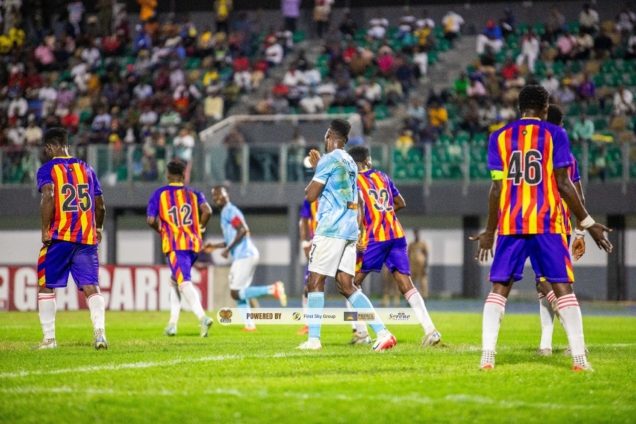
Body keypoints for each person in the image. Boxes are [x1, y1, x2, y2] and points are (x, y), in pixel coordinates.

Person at [470, 85, 613, 371]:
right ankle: (579, 359)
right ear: (546, 108)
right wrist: (588, 223)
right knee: (563, 288)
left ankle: (487, 357)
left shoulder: (498, 137)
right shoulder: (555, 134)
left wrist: (490, 231)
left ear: (519, 108)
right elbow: (564, 184)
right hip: (547, 223)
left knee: (499, 288)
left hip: (511, 224)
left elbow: (496, 189)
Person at [299, 119, 396, 351]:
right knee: (346, 285)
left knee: (315, 281)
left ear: (329, 136)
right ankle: (383, 332)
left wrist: (317, 169)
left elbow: (310, 195)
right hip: (350, 231)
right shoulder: (350, 162)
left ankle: (313, 340)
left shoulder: (328, 160)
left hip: (331, 229)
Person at [349, 145, 441, 346]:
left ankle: (364, 333)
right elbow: (401, 202)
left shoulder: (353, 181)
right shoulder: (382, 176)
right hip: (396, 235)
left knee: (350, 284)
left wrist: (361, 231)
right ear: (367, 161)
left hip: (374, 238)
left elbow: (356, 210)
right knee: (406, 284)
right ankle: (431, 331)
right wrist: (384, 216)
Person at [32, 128, 107, 350]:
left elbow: (48, 195)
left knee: (46, 285)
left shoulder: (47, 169)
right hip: (86, 239)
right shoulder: (87, 169)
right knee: (91, 286)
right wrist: (98, 228)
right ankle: (100, 333)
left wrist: (45, 230)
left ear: (49, 147)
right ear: (67, 145)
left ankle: (49, 339)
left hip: (60, 237)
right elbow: (101, 206)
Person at [535, 104, 586, 356]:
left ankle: (576, 342)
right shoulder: (569, 158)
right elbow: (579, 197)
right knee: (549, 282)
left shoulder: (539, 153)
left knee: (547, 284)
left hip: (542, 225)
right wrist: (580, 232)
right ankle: (545, 344)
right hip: (562, 226)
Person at [204, 186, 287, 332]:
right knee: (239, 293)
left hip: (244, 255)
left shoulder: (230, 210)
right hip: (245, 255)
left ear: (227, 195)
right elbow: (232, 238)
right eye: (214, 195)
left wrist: (227, 249)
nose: (216, 197)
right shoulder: (225, 213)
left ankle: (273, 289)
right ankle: (249, 326)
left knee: (235, 292)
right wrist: (215, 246)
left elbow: (242, 230)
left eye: (219, 193)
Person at [147, 159, 214, 337]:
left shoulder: (160, 194)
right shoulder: (194, 193)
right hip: (194, 245)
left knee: (183, 283)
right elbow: (207, 211)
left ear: (168, 175)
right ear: (184, 175)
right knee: (174, 281)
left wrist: (161, 231)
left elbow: (151, 220)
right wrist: (201, 227)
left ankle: (202, 318)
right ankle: (172, 324)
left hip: (176, 245)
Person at [297, 198, 319, 335]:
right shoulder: (310, 199)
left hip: (339, 244)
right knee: (309, 287)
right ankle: (309, 324)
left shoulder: (340, 193)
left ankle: (358, 328)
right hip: (318, 247)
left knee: (349, 285)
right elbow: (303, 221)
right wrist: (305, 243)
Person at [408, 230, 429, 299]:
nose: (416, 235)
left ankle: (424, 296)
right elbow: (408, 254)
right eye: (415, 234)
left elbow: (426, 254)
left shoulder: (422, 244)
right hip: (413, 266)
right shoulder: (411, 244)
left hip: (421, 266)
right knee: (411, 282)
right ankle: (411, 298)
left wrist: (426, 265)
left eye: (417, 234)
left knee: (422, 282)